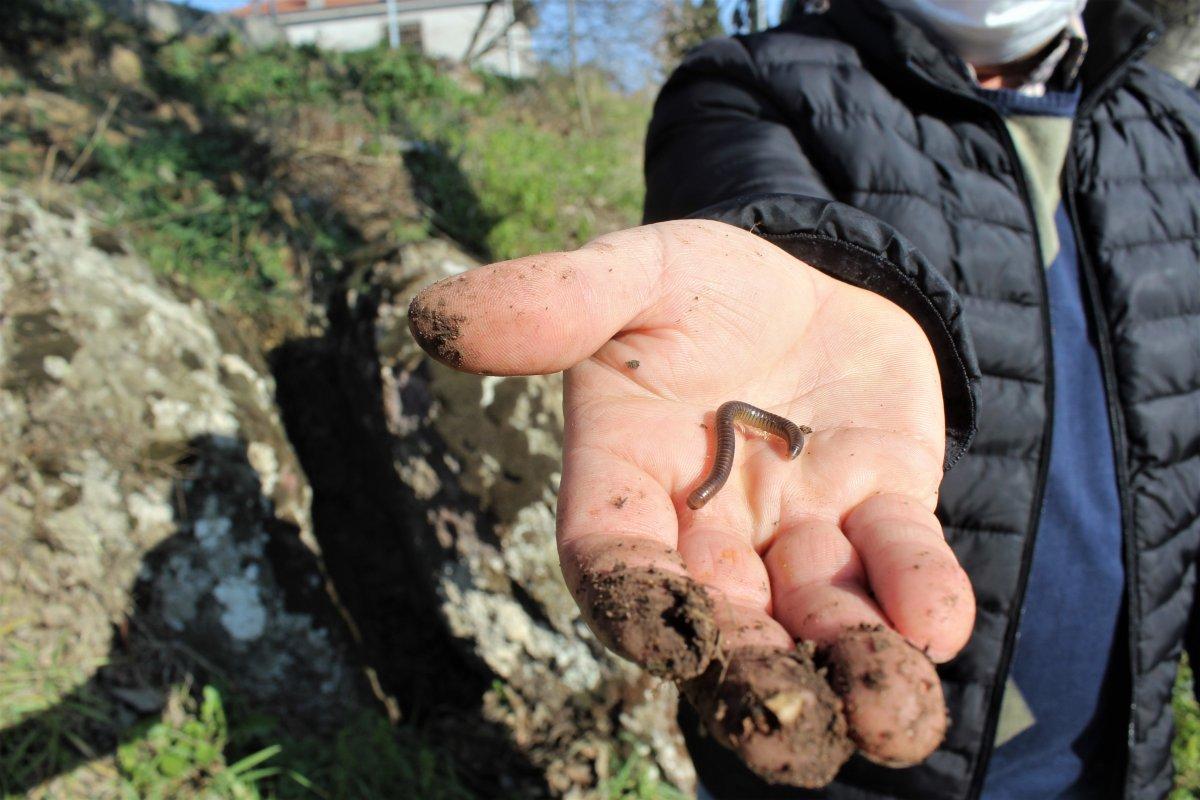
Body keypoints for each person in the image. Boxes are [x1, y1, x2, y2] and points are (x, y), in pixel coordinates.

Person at [406, 0, 1200, 797]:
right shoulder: (750, 82)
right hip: (840, 754)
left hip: (1118, 757)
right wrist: (783, 247)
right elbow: (735, 169)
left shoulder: (1175, 123)